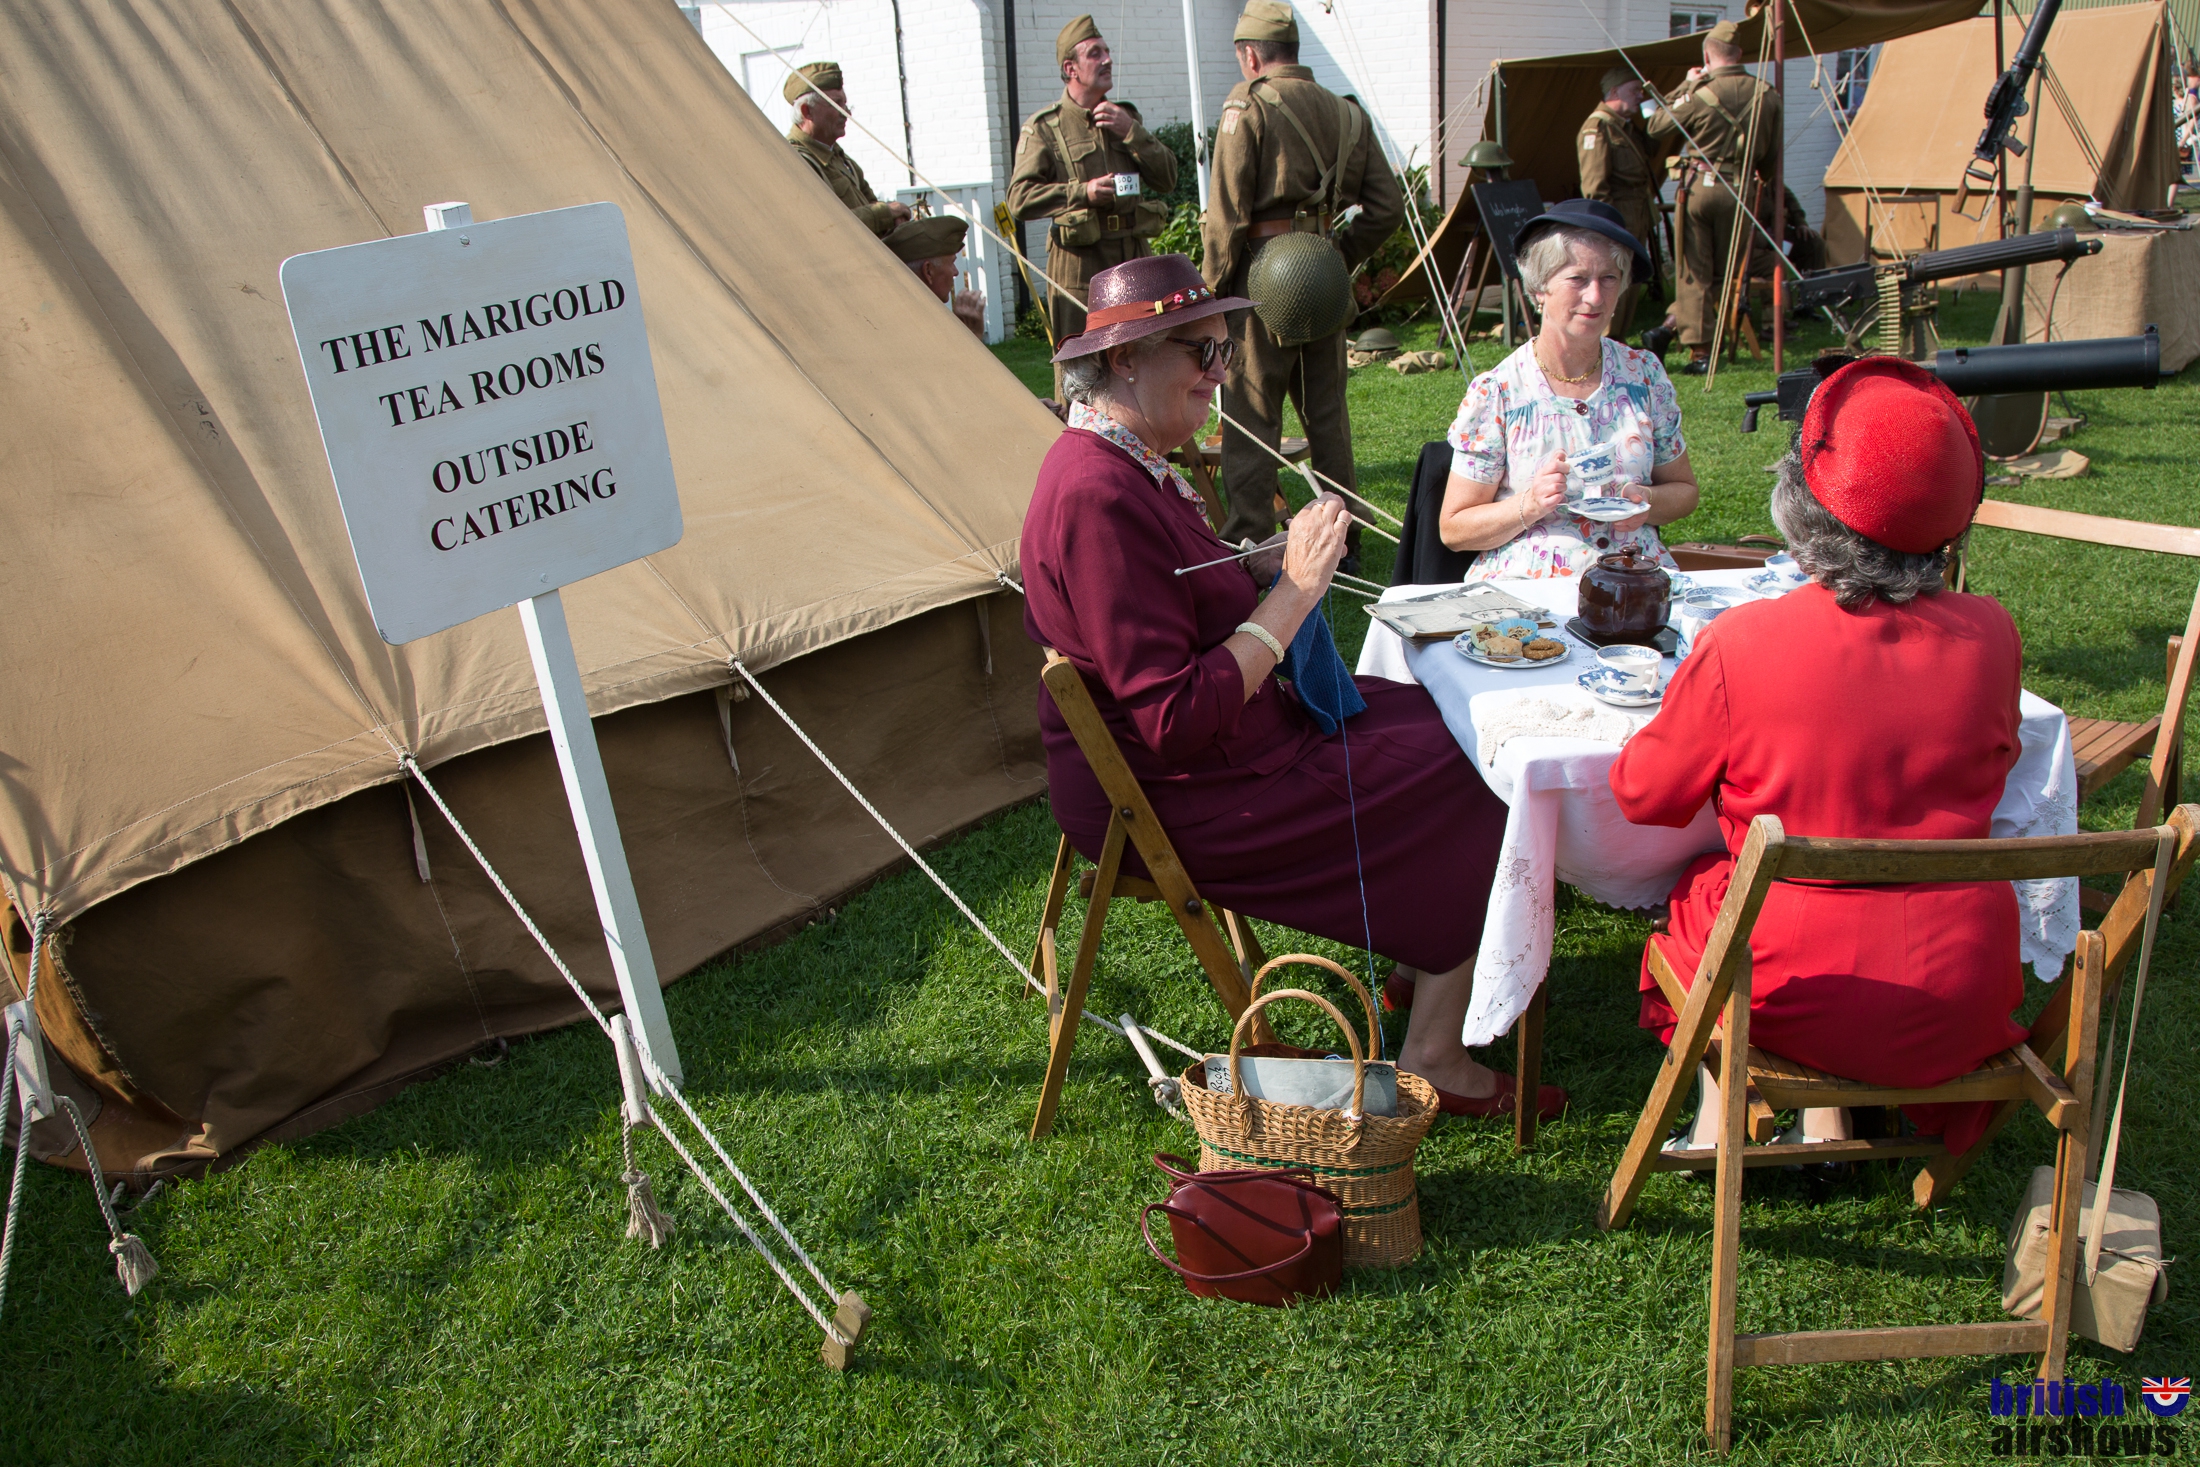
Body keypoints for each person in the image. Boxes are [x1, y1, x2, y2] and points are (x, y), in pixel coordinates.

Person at [1021, 254, 1561, 1120]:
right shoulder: (1096, 493)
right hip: (1177, 791)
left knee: (1457, 721)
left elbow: (1171, 601)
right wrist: (1295, 590)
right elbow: (1172, 716)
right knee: (1473, 770)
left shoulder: (1127, 460)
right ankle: (1434, 1042)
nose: (1219, 371)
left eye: (1225, 350)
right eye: (1202, 351)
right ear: (1124, 360)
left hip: (1225, 750)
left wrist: (1251, 566)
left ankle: (1428, 960)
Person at [1611, 357, 2023, 1155]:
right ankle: (1823, 1117)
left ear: (1804, 508)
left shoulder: (1745, 642)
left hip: (1798, 986)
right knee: (1733, 892)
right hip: (1960, 989)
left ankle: (1720, 1120)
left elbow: (1643, 793)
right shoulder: (1992, 635)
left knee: (1701, 891)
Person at [1203, 0, 1404, 556]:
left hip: (1261, 278)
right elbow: (1387, 208)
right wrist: (1337, 258)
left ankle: (1249, 542)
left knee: (1252, 414)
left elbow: (1227, 216)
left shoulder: (1247, 104)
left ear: (1250, 56)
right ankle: (1347, 537)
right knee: (1327, 416)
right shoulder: (1348, 113)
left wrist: (1211, 292)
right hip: (1322, 277)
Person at [1438, 200, 1700, 580]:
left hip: (1634, 579)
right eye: (1577, 279)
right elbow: (1454, 529)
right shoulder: (1499, 392)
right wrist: (1530, 504)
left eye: (1609, 278)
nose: (1595, 297)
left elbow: (1685, 490)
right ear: (1540, 288)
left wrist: (1648, 501)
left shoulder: (1643, 375)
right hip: (1527, 589)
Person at [1007, 15, 1179, 394]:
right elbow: (1019, 198)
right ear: (1071, 69)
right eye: (1095, 54)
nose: (1107, 60)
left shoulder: (1125, 117)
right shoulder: (1045, 128)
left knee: (1140, 361)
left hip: (1132, 259)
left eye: (1107, 52)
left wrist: (1132, 131)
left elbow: (1167, 178)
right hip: (1080, 267)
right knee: (1080, 375)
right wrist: (1081, 192)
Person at [1648, 21, 1779, 374]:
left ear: (1707, 56)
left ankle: (1700, 351)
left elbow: (1656, 126)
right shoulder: (1766, 93)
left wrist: (1687, 84)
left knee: (1694, 272)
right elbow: (1771, 158)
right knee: (1727, 272)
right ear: (1740, 54)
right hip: (1741, 192)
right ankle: (1721, 336)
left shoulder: (1699, 91)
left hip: (1699, 191)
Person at [1576, 67, 1664, 340]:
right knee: (1613, 279)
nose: (1639, 96)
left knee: (1630, 280)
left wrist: (1653, 110)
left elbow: (1653, 146)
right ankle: (1605, 342)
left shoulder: (1625, 127)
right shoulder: (1598, 127)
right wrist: (1608, 227)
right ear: (1614, 92)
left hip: (1637, 211)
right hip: (1619, 214)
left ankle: (1618, 341)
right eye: (1634, 90)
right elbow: (1595, 186)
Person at [784, 62, 911, 238]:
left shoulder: (840, 158)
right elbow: (824, 225)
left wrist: (894, 217)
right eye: (836, 104)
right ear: (807, 111)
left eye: (845, 105)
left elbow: (871, 203)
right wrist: (885, 213)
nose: (846, 113)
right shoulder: (793, 160)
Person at [885, 215, 986, 339]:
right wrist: (970, 335)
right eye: (951, 263)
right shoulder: (915, 325)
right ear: (928, 271)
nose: (956, 272)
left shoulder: (900, 312)